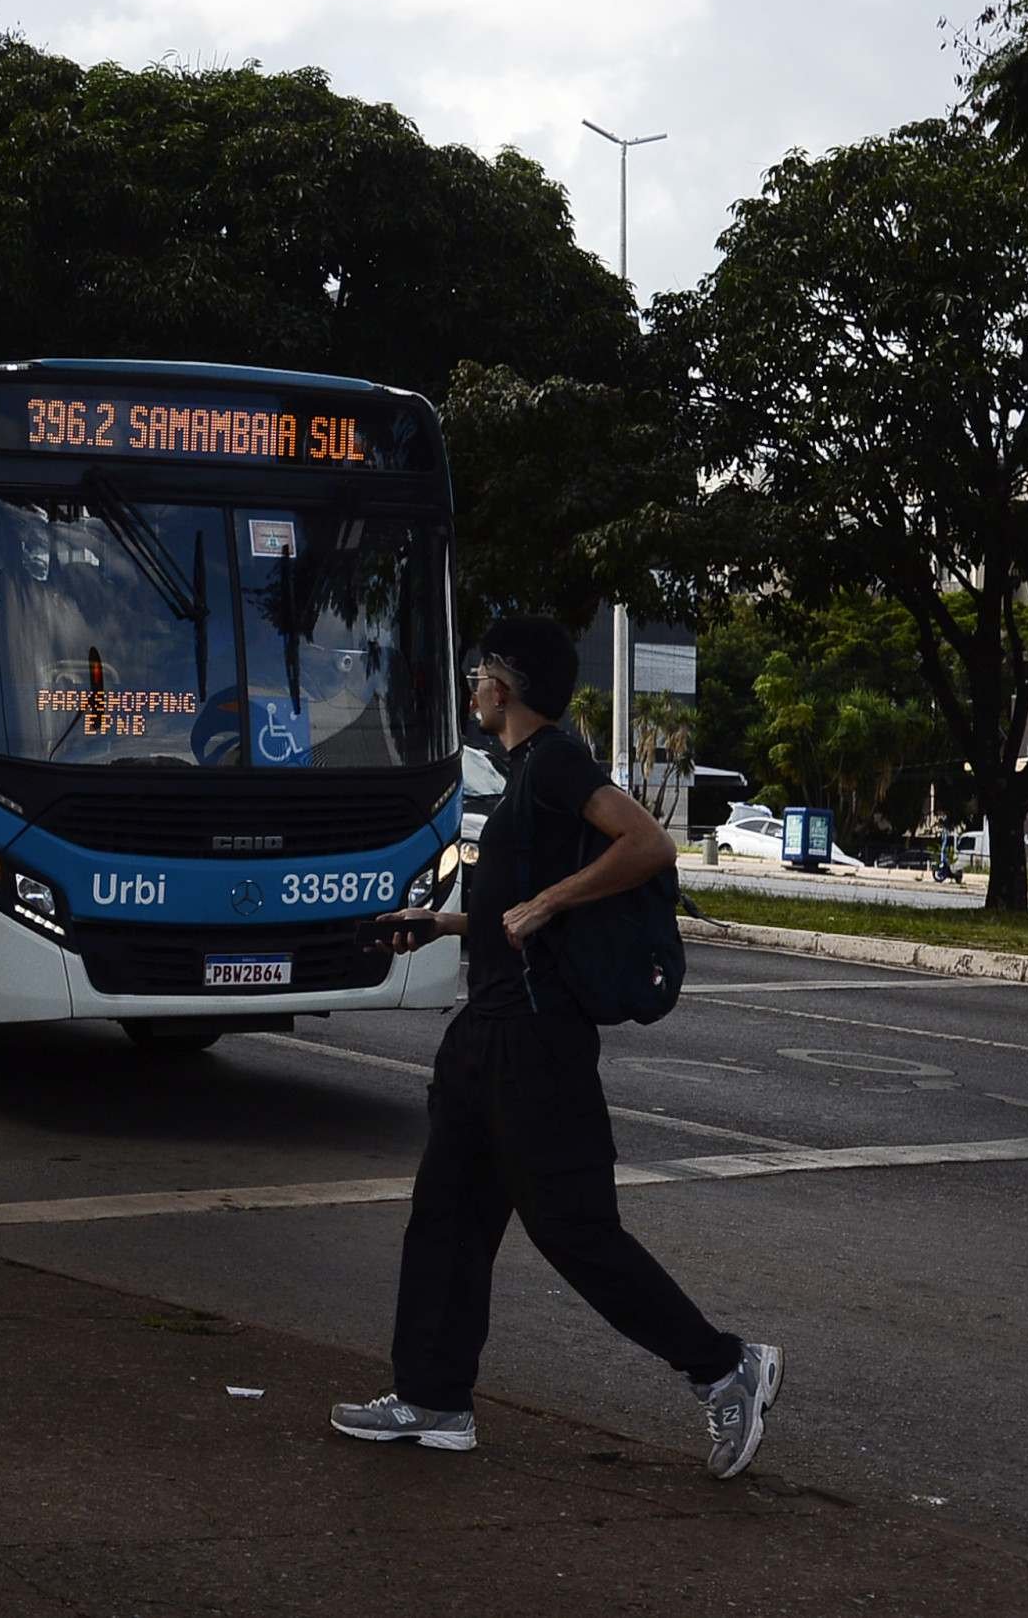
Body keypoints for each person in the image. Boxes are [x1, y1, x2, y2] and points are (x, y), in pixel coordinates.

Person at [337, 618, 781, 1477]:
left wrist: (547, 903)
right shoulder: (520, 779)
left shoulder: (556, 762)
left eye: (479, 672)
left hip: (537, 1046)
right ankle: (432, 1398)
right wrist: (445, 922)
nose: (471, 683)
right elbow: (511, 911)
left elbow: (649, 843)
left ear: (505, 685)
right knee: (447, 1224)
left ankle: (726, 1367)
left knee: (576, 1233)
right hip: (489, 1033)